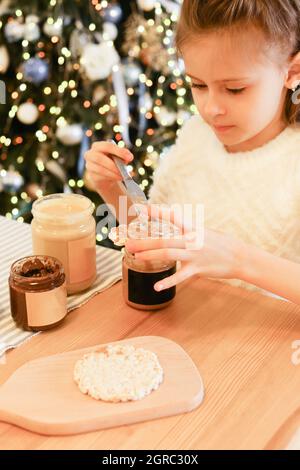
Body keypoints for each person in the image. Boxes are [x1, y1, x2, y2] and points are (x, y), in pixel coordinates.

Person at [84, 0, 300, 302]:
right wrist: (113, 189)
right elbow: (156, 240)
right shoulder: (196, 137)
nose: (211, 109)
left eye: (235, 89)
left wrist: (239, 261)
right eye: (198, 85)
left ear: (292, 72)